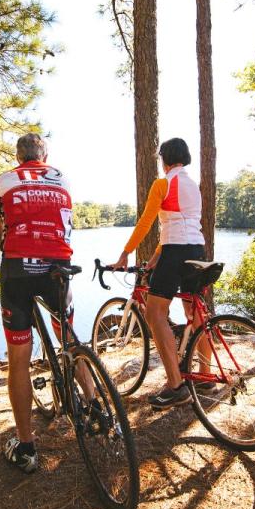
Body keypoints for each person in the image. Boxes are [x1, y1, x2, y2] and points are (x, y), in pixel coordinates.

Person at [0, 133, 74, 474]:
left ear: (19, 157)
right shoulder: (62, 178)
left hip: (19, 270)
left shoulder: (3, 181)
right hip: (58, 268)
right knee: (69, 338)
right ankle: (96, 408)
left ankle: (26, 446)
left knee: (18, 358)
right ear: (45, 155)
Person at [110, 137, 208, 409]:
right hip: (197, 249)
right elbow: (178, 226)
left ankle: (176, 386)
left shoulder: (163, 183)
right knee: (194, 309)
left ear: (164, 159)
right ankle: (206, 373)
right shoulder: (192, 185)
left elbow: (146, 221)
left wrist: (125, 252)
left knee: (154, 312)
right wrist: (155, 257)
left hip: (176, 252)